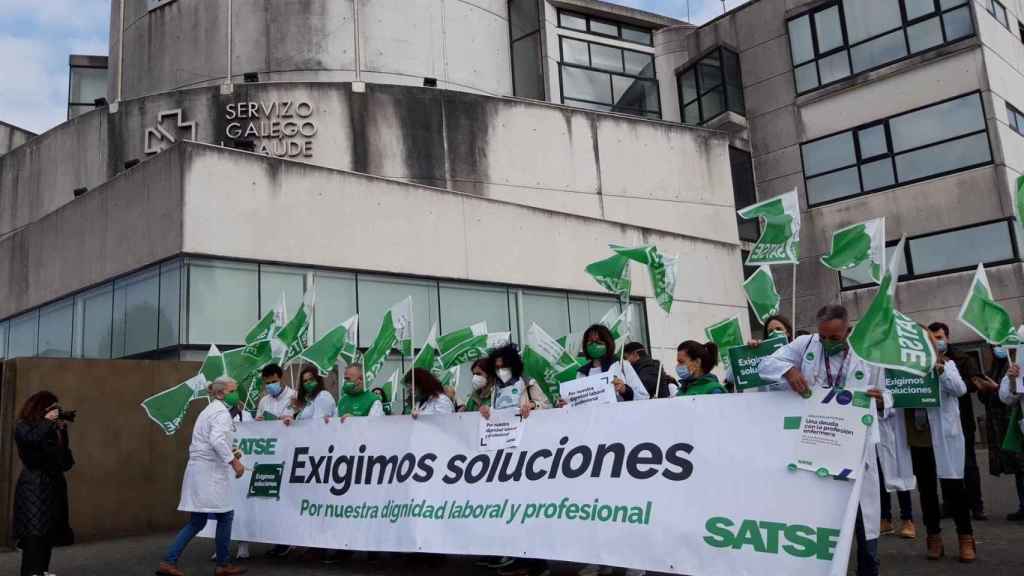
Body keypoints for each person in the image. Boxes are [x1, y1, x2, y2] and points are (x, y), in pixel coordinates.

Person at [759, 304, 888, 576]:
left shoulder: (869, 352)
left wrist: (881, 401)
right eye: (823, 337)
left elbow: (889, 396)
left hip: (856, 448)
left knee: (864, 523)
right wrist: (788, 372)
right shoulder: (806, 344)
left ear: (847, 331)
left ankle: (868, 569)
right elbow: (766, 364)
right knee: (819, 519)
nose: (827, 343)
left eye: (835, 338)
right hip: (816, 441)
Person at [880, 322, 974, 562]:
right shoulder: (898, 369)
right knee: (927, 491)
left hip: (943, 436)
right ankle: (934, 538)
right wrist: (882, 401)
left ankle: (966, 538)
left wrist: (940, 371)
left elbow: (960, 389)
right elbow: (890, 399)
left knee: (955, 489)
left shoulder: (946, 363)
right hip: (918, 437)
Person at [157, 377, 247, 576]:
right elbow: (216, 440)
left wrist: (230, 453)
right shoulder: (221, 413)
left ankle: (169, 561)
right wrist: (235, 462)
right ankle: (222, 565)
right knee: (226, 515)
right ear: (220, 393)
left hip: (200, 470)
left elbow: (213, 440)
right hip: (210, 472)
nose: (236, 393)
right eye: (233, 390)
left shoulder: (210, 410)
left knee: (197, 521)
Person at [14, 391, 74, 576]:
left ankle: (41, 571)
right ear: (40, 408)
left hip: (53, 487)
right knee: (35, 538)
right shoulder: (24, 427)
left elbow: (66, 463)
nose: (56, 412)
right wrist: (47, 423)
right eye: (52, 408)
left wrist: (62, 434)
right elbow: (31, 440)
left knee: (47, 537)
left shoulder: (51, 430)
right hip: (34, 489)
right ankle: (33, 572)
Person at [974, 344, 1024, 521]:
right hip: (1006, 423)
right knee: (1019, 466)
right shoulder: (1007, 368)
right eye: (994, 346)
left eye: (1001, 344)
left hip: (1008, 419)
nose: (998, 349)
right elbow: (1008, 396)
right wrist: (1010, 381)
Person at [577, 324, 649, 402]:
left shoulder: (622, 365)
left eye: (598, 341)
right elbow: (577, 402)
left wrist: (625, 390)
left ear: (608, 343)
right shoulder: (581, 373)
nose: (594, 344)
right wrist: (567, 403)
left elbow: (643, 397)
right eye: (590, 341)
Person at [481, 343, 549, 420]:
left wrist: (532, 405)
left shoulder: (529, 383)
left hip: (526, 429)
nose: (500, 370)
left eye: (504, 366)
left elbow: (546, 405)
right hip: (503, 429)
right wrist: (487, 410)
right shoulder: (494, 388)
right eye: (497, 367)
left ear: (513, 365)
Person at [998, 352, 1024, 520]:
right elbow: (1007, 398)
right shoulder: (1017, 367)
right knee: (1021, 468)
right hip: (1021, 426)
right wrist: (1013, 379)